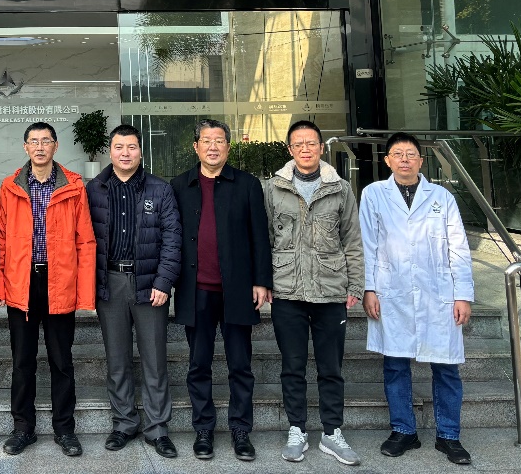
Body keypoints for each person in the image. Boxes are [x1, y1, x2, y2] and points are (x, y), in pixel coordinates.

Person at [361, 132, 475, 466]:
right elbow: (366, 244)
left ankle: (449, 435)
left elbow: (459, 248)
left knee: (446, 366)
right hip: (391, 290)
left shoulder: (442, 197)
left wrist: (462, 295)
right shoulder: (373, 194)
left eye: (411, 154)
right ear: (387, 160)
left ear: (421, 161)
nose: (405, 159)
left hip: (438, 293)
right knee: (395, 364)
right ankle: (403, 431)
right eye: (398, 154)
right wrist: (368, 289)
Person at [263, 120, 365, 467]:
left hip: (330, 290)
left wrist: (355, 285)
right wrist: (264, 281)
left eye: (311, 143)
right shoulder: (273, 188)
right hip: (287, 290)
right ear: (289, 149)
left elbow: (352, 241)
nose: (305, 149)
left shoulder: (341, 189)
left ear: (321, 148)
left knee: (331, 367)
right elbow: (265, 239)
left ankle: (332, 432)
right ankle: (297, 429)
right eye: (298, 144)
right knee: (292, 366)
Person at [0, 122, 96, 458]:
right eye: (34, 141)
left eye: (46, 141)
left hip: (59, 281)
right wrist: (1, 285)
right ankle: (23, 428)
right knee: (22, 361)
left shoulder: (73, 186)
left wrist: (84, 291)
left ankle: (65, 429)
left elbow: (85, 241)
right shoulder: (10, 187)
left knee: (61, 361)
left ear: (55, 146)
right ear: (25, 147)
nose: (40, 147)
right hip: (22, 282)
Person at [172, 118, 272, 462]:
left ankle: (241, 430)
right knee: (198, 364)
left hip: (238, 290)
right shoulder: (180, 185)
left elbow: (260, 236)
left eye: (219, 141)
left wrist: (261, 281)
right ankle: (204, 429)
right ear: (195, 147)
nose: (212, 146)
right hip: (195, 290)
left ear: (228, 147)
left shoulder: (247, 184)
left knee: (240, 364)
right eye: (206, 140)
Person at [86, 124, 181, 459]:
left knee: (154, 360)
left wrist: (163, 282)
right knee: (117, 360)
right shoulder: (94, 189)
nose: (125, 153)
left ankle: (157, 429)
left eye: (131, 147)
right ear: (109, 152)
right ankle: (124, 423)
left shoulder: (160, 189)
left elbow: (172, 239)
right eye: (118, 147)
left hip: (149, 283)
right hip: (110, 282)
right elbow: (84, 239)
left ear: (141, 151)